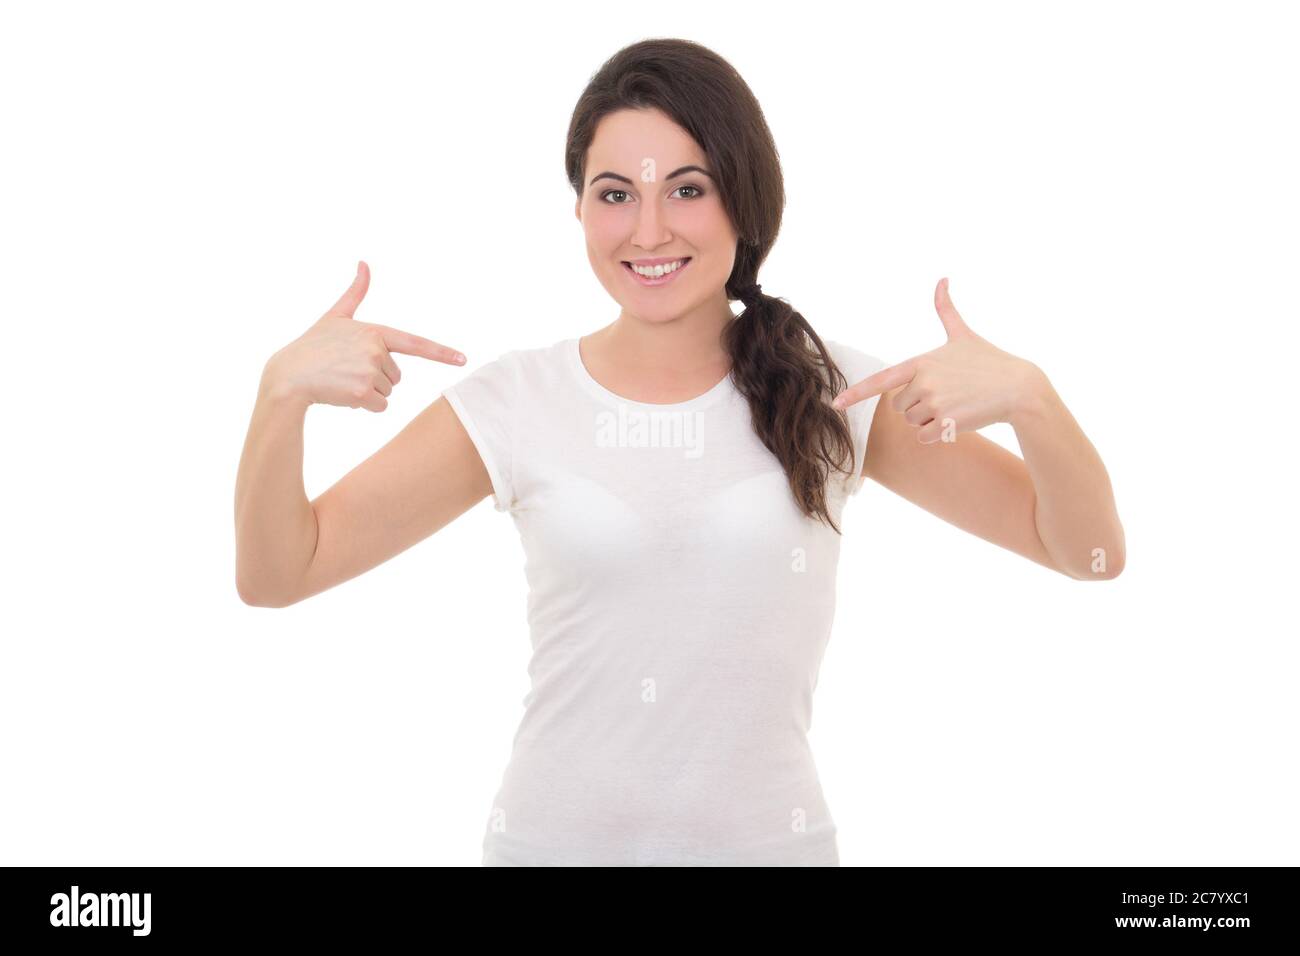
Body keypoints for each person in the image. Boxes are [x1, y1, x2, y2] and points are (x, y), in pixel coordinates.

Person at [234, 38, 1125, 866]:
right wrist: (280, 397)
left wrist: (1033, 401)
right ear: (580, 209)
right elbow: (278, 574)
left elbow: (1084, 551)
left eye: (688, 189)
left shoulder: (837, 392)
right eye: (616, 193)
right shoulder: (516, 402)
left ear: (746, 199)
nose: (650, 230)